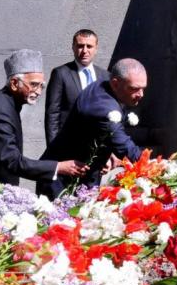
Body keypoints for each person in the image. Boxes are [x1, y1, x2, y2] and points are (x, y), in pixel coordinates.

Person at [0, 49, 88, 236]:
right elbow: (12, 160)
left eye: (41, 85)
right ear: (14, 83)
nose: (39, 91)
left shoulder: (8, 103)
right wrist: (58, 167)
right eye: (33, 85)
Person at [37, 58, 146, 199]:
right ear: (115, 83)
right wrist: (155, 165)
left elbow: (99, 132)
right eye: (134, 89)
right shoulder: (104, 108)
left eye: (143, 88)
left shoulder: (105, 85)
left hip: (83, 177)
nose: (141, 94)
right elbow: (123, 145)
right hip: (62, 183)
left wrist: (108, 154)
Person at [44, 29, 110, 145]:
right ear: (73, 47)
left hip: (97, 144)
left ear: (96, 48)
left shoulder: (105, 76)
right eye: (80, 46)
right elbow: (52, 113)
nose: (84, 51)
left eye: (89, 46)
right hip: (69, 144)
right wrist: (53, 147)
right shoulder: (61, 73)